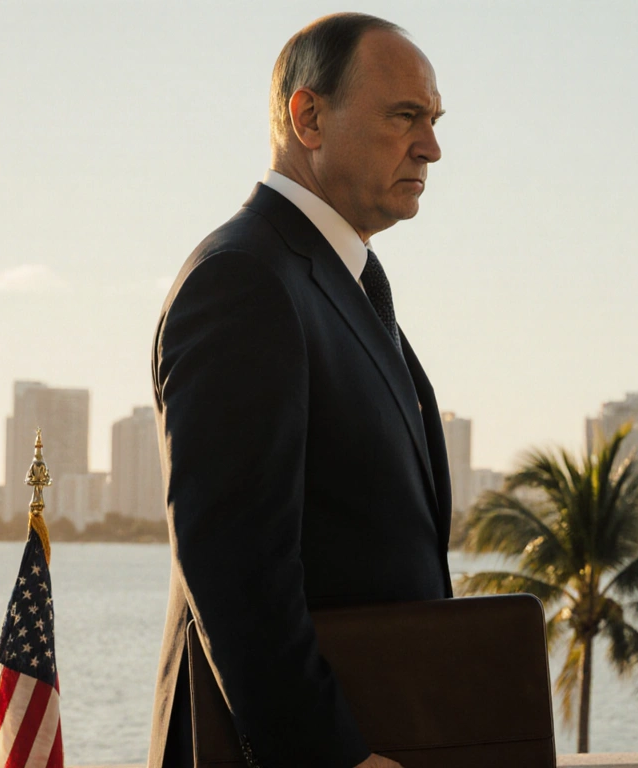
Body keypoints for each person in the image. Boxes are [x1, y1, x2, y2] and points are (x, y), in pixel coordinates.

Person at [147, 13, 450, 768]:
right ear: (308, 117)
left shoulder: (337, 284)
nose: (432, 147)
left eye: (434, 121)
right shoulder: (245, 280)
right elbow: (234, 565)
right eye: (405, 117)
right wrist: (329, 758)